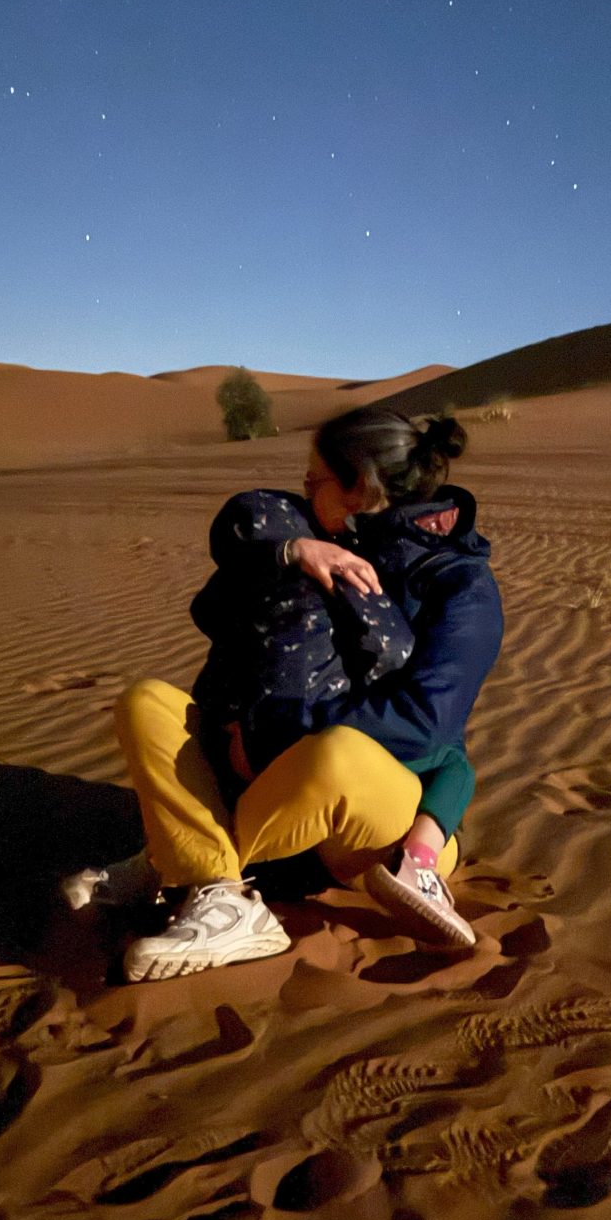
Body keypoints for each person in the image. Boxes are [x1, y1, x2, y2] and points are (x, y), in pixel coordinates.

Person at [111, 406, 503, 983]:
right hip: (283, 786)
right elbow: (212, 610)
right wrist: (289, 553)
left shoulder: (461, 585)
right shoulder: (321, 537)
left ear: (360, 487)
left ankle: (174, 862)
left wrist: (273, 732)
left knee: (334, 752)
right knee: (148, 705)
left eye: (314, 479)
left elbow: (425, 723)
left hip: (390, 817)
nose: (304, 488)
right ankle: (214, 888)